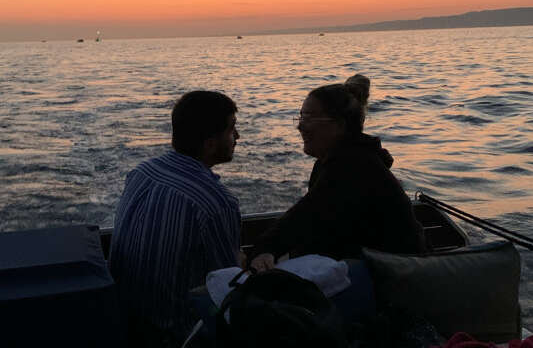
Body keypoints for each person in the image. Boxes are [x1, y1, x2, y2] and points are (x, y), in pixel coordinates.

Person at [250, 76, 425, 272]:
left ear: (340, 125)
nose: (300, 126)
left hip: (397, 276)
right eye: (300, 117)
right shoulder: (337, 161)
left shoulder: (354, 167)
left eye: (309, 118)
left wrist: (264, 249)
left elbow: (306, 216)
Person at [109, 90, 242, 347]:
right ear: (210, 143)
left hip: (126, 322)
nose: (237, 136)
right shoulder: (216, 202)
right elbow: (226, 288)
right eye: (232, 129)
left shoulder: (141, 172)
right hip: (177, 336)